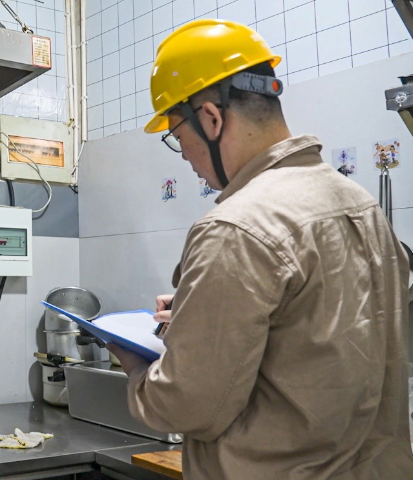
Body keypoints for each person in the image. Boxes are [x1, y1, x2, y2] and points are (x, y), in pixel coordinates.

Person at [106, 19, 413, 479]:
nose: (186, 154)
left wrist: (134, 369)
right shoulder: (362, 206)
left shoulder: (235, 227)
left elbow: (186, 406)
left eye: (176, 135)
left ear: (210, 117)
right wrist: (199, 314)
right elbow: (320, 338)